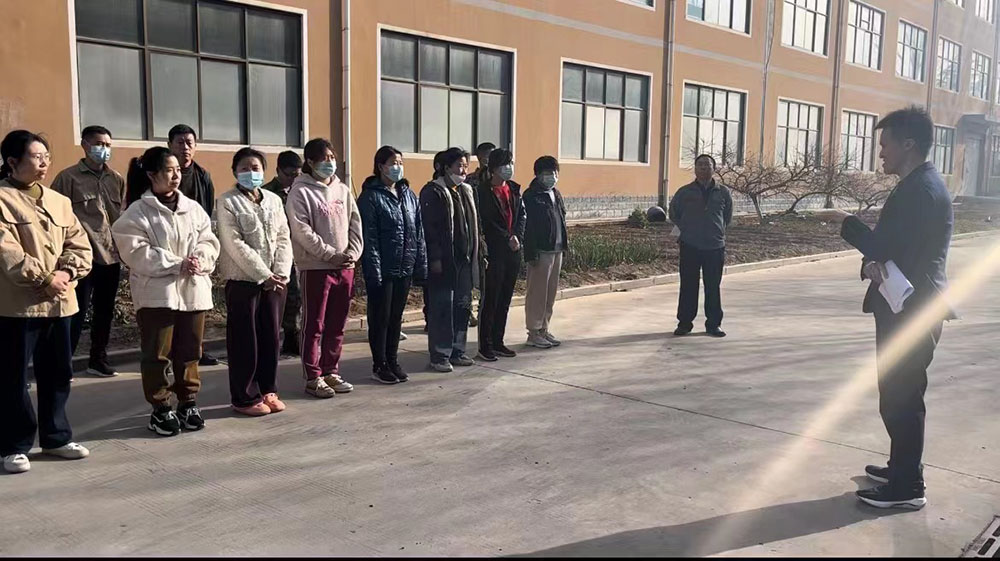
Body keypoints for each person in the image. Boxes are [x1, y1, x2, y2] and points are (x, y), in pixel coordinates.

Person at [818, 107, 953, 510]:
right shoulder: (916, 185)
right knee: (897, 393)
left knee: (901, 396)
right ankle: (902, 467)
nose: (880, 153)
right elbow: (893, 249)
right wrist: (872, 263)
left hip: (913, 310)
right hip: (903, 304)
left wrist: (846, 221)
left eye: (885, 144)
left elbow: (882, 244)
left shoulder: (920, 191)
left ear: (908, 144)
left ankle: (908, 486)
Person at [0, 130, 93, 474]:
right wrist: (44, 278)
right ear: (12, 161)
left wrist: (66, 273)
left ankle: (56, 437)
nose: (44, 163)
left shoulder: (59, 201)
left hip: (60, 303)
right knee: (12, 377)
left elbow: (79, 243)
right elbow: (6, 251)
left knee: (57, 373)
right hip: (17, 305)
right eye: (36, 157)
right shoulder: (2, 199)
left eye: (46, 157)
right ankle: (13, 445)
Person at [112, 147, 220, 437]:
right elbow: (136, 252)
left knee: (190, 351)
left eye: (178, 171)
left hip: (193, 290)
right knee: (157, 354)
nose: (175, 176)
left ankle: (188, 402)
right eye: (168, 170)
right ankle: (160, 407)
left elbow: (209, 240)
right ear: (151, 174)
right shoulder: (137, 212)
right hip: (157, 294)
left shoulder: (193, 208)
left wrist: (200, 259)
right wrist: (176, 263)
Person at [216, 147, 293, 416]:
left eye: (256, 168)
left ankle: (268, 389)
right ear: (235, 172)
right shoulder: (227, 201)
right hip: (244, 281)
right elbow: (234, 243)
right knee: (244, 341)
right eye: (245, 168)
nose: (251, 173)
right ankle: (244, 397)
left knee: (271, 337)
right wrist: (263, 274)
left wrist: (280, 272)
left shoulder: (273, 200)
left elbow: (283, 237)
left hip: (276, 282)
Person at [287, 138, 363, 399]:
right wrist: (330, 255)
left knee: (337, 323)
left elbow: (355, 222)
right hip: (316, 267)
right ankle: (313, 376)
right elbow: (302, 232)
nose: (330, 162)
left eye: (332, 157)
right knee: (314, 324)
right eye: (324, 158)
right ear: (310, 162)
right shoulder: (300, 192)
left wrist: (352, 253)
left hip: (345, 266)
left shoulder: (342, 190)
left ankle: (331, 369)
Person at [50, 125, 126, 377]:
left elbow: (117, 217)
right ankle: (63, 365)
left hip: (110, 256)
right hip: (79, 258)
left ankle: (98, 359)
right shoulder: (67, 178)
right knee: (75, 312)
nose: (104, 149)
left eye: (108, 145)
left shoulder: (116, 179)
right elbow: (54, 216)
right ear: (84, 145)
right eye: (99, 144)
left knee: (104, 312)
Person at [358, 146, 426, 384]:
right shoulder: (370, 197)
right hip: (383, 269)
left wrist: (419, 264)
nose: (398, 167)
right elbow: (370, 238)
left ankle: (393, 360)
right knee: (381, 318)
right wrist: (374, 271)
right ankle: (380, 364)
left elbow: (418, 232)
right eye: (393, 163)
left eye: (400, 162)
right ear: (381, 166)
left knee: (396, 317)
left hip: (404, 267)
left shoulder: (408, 195)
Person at [420, 147, 480, 372]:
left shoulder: (466, 191)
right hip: (444, 261)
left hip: (464, 260)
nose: (463, 170)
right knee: (442, 308)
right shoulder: (433, 192)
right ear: (446, 168)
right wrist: (435, 258)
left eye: (465, 166)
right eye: (459, 166)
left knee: (462, 307)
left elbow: (474, 224)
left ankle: (458, 350)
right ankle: (440, 354)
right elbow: (430, 229)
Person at [167, 124, 220, 367]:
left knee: (197, 301)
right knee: (170, 303)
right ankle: (169, 351)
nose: (185, 147)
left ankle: (196, 349)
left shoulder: (202, 175)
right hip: (169, 246)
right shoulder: (161, 173)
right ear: (170, 145)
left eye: (189, 143)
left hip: (195, 244)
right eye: (180, 142)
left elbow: (206, 213)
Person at [668, 154, 733, 338]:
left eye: (708, 165)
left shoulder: (723, 192)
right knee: (688, 285)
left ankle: (713, 324)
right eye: (700, 165)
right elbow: (674, 213)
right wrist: (687, 229)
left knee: (713, 286)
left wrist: (717, 230)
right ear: (695, 169)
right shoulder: (684, 192)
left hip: (714, 246)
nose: (704, 168)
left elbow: (727, 217)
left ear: (714, 169)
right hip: (690, 245)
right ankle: (684, 323)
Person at [475, 148, 525, 361]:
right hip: (494, 251)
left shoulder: (513, 189)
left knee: (505, 299)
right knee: (491, 299)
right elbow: (488, 221)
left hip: (513, 251)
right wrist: (507, 237)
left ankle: (498, 341)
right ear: (494, 168)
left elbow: (521, 216)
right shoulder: (483, 192)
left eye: (511, 163)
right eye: (505, 164)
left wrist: (517, 236)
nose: (509, 168)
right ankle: (485, 345)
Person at [523, 155, 569, 349]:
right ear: (538, 174)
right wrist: (531, 252)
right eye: (547, 173)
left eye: (554, 172)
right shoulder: (531, 196)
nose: (551, 176)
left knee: (550, 293)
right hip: (541, 251)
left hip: (556, 249)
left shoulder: (555, 194)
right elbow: (527, 227)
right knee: (537, 293)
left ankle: (544, 328)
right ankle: (533, 331)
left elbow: (561, 220)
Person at [263, 150, 304, 356]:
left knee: (296, 296)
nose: (293, 179)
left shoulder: (301, 191)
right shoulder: (267, 193)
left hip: (298, 251)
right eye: (289, 175)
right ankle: (270, 338)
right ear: (278, 170)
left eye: (297, 174)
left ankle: (292, 336)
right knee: (275, 296)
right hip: (275, 252)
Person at [465, 142, 495, 329]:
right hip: (474, 232)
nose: (489, 159)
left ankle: (485, 310)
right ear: (479, 157)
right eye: (486, 156)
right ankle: (467, 311)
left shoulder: (497, 179)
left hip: (493, 233)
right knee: (470, 274)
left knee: (489, 278)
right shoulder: (471, 180)